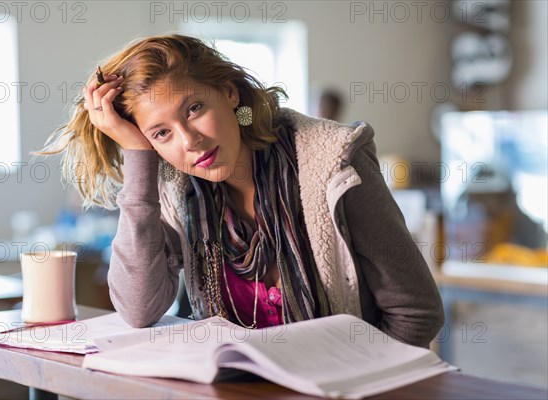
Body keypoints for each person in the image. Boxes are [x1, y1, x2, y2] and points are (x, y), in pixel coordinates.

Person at [40, 34, 444, 348]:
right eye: (161, 133)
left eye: (194, 109)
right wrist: (137, 156)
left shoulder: (334, 163)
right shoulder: (178, 189)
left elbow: (417, 313)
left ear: (230, 93)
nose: (189, 141)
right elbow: (139, 307)